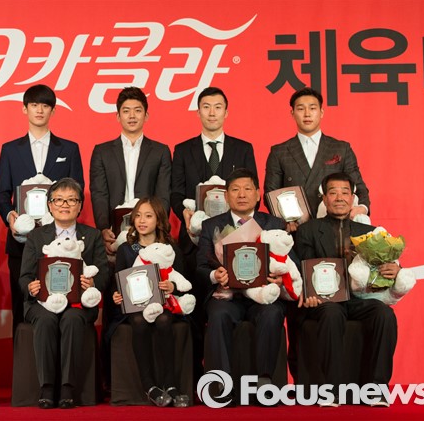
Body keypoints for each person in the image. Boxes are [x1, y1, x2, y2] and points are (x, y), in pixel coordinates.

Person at [171, 87, 258, 376]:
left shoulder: (243, 148)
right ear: (198, 112)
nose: (212, 112)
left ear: (226, 112)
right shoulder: (183, 149)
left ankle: (239, 374)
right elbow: (176, 192)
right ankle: (197, 373)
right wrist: (184, 213)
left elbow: (253, 191)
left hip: (237, 241)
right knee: (194, 308)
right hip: (193, 241)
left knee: (235, 307)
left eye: (217, 107)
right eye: (206, 107)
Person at [295, 172, 398, 406]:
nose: (339, 198)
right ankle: (331, 390)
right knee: (331, 313)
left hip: (359, 298)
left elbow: (382, 265)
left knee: (384, 314)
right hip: (325, 300)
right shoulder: (308, 231)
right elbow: (304, 269)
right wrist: (309, 294)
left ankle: (377, 389)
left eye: (345, 192)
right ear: (324, 198)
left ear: (353, 198)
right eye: (333, 192)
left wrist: (393, 269)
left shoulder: (369, 232)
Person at [0, 84, 84, 334]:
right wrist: (10, 216)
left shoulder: (69, 149)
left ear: (53, 111)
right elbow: (2, 193)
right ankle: (22, 359)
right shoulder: (10, 149)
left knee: (63, 301)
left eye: (45, 106)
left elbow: (78, 191)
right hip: (21, 241)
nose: (39, 110)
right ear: (24, 109)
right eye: (34, 105)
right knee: (21, 304)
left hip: (60, 239)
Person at [196, 168, 289, 405]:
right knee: (218, 314)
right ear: (226, 196)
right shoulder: (211, 225)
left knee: (272, 313)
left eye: (248, 189)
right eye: (235, 190)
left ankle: (264, 382)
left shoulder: (274, 223)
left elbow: (291, 262)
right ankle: (222, 384)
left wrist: (280, 278)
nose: (241, 194)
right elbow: (200, 267)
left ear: (258, 194)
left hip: (263, 295)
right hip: (227, 296)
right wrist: (215, 275)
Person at [19, 178, 107, 409]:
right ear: (49, 205)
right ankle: (47, 387)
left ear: (80, 206)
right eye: (59, 200)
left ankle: (68, 387)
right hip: (42, 303)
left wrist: (92, 282)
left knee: (72, 318)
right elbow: (24, 276)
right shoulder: (36, 236)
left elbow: (104, 274)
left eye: (71, 200)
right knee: (46, 319)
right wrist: (31, 287)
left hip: (78, 304)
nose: (65, 205)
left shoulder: (93, 236)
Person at [109, 197, 189, 407]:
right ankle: (149, 386)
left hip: (164, 304)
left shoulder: (170, 248)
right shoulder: (126, 249)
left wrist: (172, 286)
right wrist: (117, 295)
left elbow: (183, 280)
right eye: (138, 216)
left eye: (148, 216)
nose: (142, 220)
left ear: (159, 220)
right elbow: (118, 282)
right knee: (139, 321)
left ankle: (170, 384)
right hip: (135, 306)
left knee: (164, 320)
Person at [264, 87, 369, 232]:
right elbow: (271, 192)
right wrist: (284, 220)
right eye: (301, 109)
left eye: (312, 108)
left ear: (321, 112)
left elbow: (358, 186)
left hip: (335, 228)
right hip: (296, 229)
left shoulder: (341, 148)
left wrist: (362, 207)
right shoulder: (279, 151)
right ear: (292, 113)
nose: (307, 114)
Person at [90, 86, 172, 255]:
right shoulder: (102, 151)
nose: (132, 116)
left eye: (137, 110)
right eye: (126, 111)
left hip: (150, 232)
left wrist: (158, 228)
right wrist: (103, 228)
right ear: (118, 116)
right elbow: (99, 193)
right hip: (114, 231)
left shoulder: (160, 151)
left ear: (146, 115)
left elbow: (163, 194)